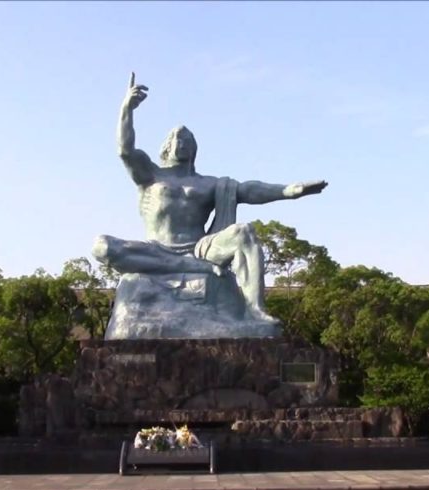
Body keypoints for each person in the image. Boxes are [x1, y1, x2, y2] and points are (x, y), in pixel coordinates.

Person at [92, 73, 327, 322]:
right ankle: (185, 267)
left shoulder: (209, 184)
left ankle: (255, 310)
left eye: (187, 139)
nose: (181, 143)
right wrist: (126, 109)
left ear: (194, 148)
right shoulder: (151, 175)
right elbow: (124, 150)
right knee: (102, 246)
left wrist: (289, 191)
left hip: (200, 249)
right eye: (175, 139)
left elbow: (249, 190)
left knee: (244, 232)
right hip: (156, 248)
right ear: (166, 146)